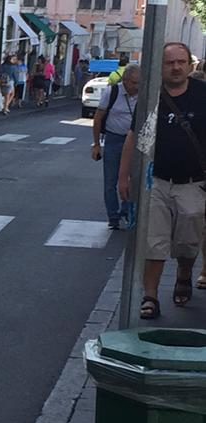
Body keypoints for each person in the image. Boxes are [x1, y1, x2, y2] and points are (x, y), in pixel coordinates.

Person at [119, 43, 206, 319]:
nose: (176, 67)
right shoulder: (151, 97)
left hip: (194, 183)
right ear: (161, 66)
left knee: (187, 242)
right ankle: (150, 297)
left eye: (181, 62)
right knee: (153, 241)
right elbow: (135, 137)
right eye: (170, 63)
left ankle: (184, 272)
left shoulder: (203, 95)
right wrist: (125, 176)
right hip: (155, 180)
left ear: (190, 65)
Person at [92, 64, 139, 230]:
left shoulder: (144, 94)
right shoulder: (111, 92)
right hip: (114, 139)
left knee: (133, 179)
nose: (137, 86)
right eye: (134, 82)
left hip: (135, 141)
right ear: (125, 81)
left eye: (139, 82)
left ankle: (126, 211)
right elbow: (98, 118)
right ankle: (113, 216)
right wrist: (96, 144)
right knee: (110, 180)